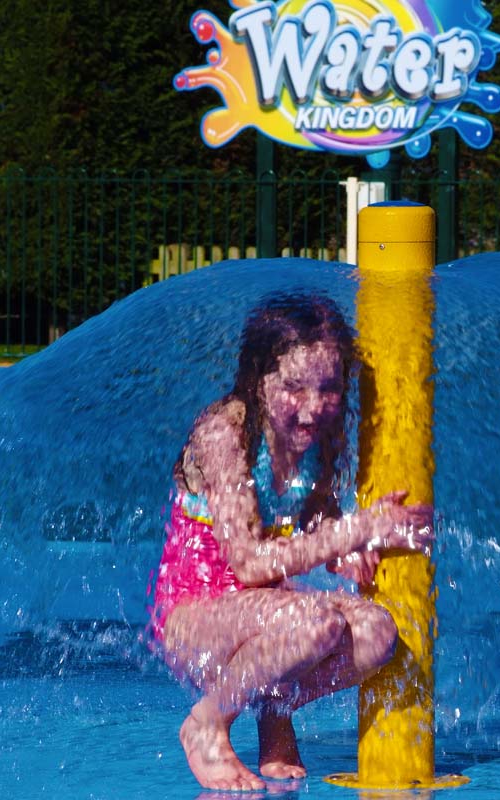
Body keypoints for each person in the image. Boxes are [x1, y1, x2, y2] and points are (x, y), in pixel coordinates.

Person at [150, 294, 433, 791]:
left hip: (267, 616)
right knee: (317, 622)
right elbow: (250, 561)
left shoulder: (320, 441)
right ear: (258, 380)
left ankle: (274, 707)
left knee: (377, 633)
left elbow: (314, 518)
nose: (312, 408)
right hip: (196, 615)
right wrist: (356, 530)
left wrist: (348, 550)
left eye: (328, 388)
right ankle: (207, 723)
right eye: (293, 387)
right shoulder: (225, 434)